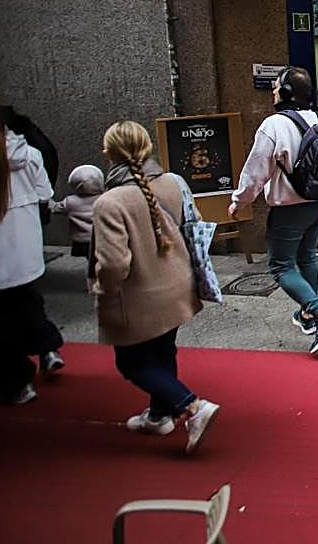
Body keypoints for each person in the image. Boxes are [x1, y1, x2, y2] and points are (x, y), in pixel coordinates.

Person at [92, 121, 220, 453]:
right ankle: (159, 415)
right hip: (178, 285)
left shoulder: (111, 202)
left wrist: (102, 290)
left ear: (108, 153)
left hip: (138, 296)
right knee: (163, 352)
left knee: (132, 363)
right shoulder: (173, 183)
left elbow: (113, 264)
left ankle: (191, 406)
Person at [230, 66, 318, 356]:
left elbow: (256, 169)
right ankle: (308, 316)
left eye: (275, 87)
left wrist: (239, 201)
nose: (272, 92)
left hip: (289, 207)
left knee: (280, 265)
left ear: (285, 92)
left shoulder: (274, 125)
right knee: (307, 257)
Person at [0, 101, 63, 405]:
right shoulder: (30, 154)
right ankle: (48, 348)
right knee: (29, 301)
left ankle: (18, 381)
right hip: (27, 244)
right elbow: (44, 194)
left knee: (1, 318)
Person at [49, 164, 105, 283]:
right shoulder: (103, 199)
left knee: (89, 259)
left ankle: (93, 278)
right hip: (101, 238)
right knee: (100, 259)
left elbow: (55, 208)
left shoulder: (70, 201)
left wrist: (47, 200)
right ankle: (100, 277)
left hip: (81, 240)